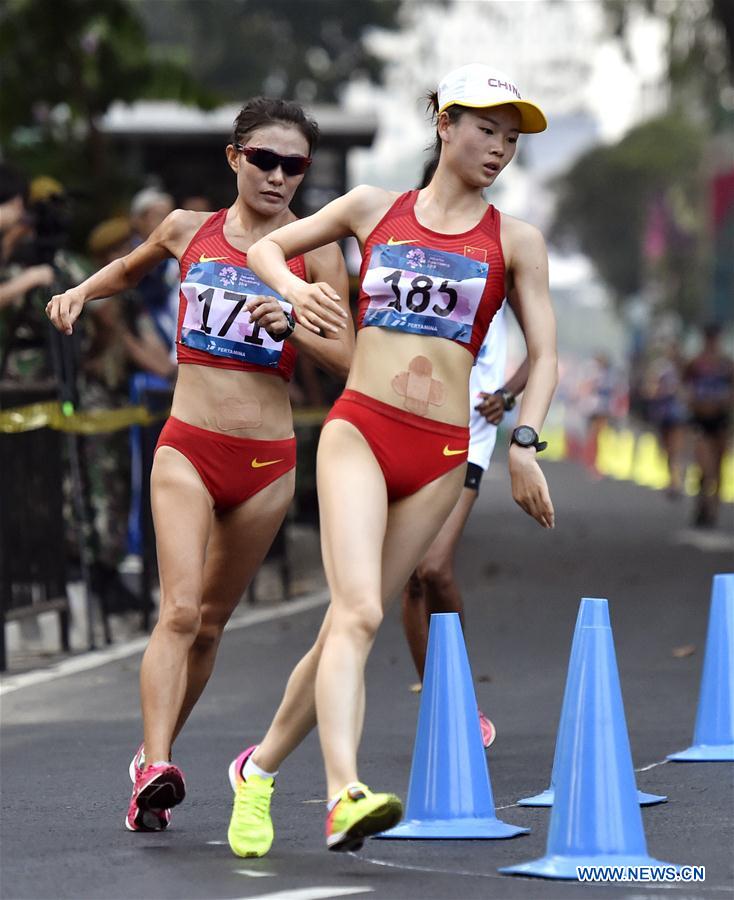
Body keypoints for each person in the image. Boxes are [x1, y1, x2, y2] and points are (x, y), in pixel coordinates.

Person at [225, 63, 558, 857]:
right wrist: (296, 291)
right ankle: (344, 794)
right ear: (444, 125)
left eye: (511, 139)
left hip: (441, 457)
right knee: (362, 614)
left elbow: (545, 354)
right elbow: (271, 250)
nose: (500, 149)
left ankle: (259, 769)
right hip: (361, 432)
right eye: (486, 130)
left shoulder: (515, 240)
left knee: (348, 622)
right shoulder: (375, 209)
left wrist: (525, 443)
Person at [45, 97, 354, 832]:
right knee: (177, 610)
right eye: (265, 160)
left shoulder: (316, 252)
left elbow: (349, 357)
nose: (279, 176)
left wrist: (297, 326)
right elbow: (130, 266)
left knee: (211, 623)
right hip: (188, 445)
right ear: (234, 158)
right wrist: (81, 292)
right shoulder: (191, 230)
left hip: (268, 462)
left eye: (295, 165)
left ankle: (154, 760)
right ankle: (155, 765)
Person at [402, 304, 529, 749]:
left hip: (470, 435)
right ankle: (441, 704)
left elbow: (542, 350)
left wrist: (507, 396)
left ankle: (460, 695)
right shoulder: (422, 252)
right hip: (412, 424)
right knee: (412, 579)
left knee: (434, 567)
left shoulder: (501, 254)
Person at [683, 323, 733, 527]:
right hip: (701, 420)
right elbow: (684, 385)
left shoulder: (726, 364)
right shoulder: (695, 363)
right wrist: (692, 402)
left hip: (720, 419)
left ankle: (713, 509)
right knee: (706, 466)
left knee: (719, 465)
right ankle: (703, 501)